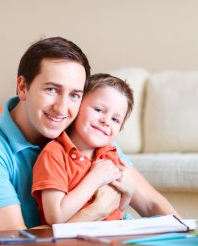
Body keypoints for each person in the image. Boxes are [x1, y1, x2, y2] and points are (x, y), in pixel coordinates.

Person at [0, 36, 178, 232]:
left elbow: (151, 205)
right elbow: (17, 242)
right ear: (23, 87)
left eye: (74, 95)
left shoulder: (87, 134)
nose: (62, 109)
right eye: (51, 90)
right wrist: (97, 210)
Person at [32, 73, 136, 224]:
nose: (106, 121)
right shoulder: (54, 154)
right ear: (78, 106)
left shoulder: (110, 154)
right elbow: (55, 218)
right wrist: (95, 178)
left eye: (115, 119)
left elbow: (117, 210)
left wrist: (128, 192)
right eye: (99, 110)